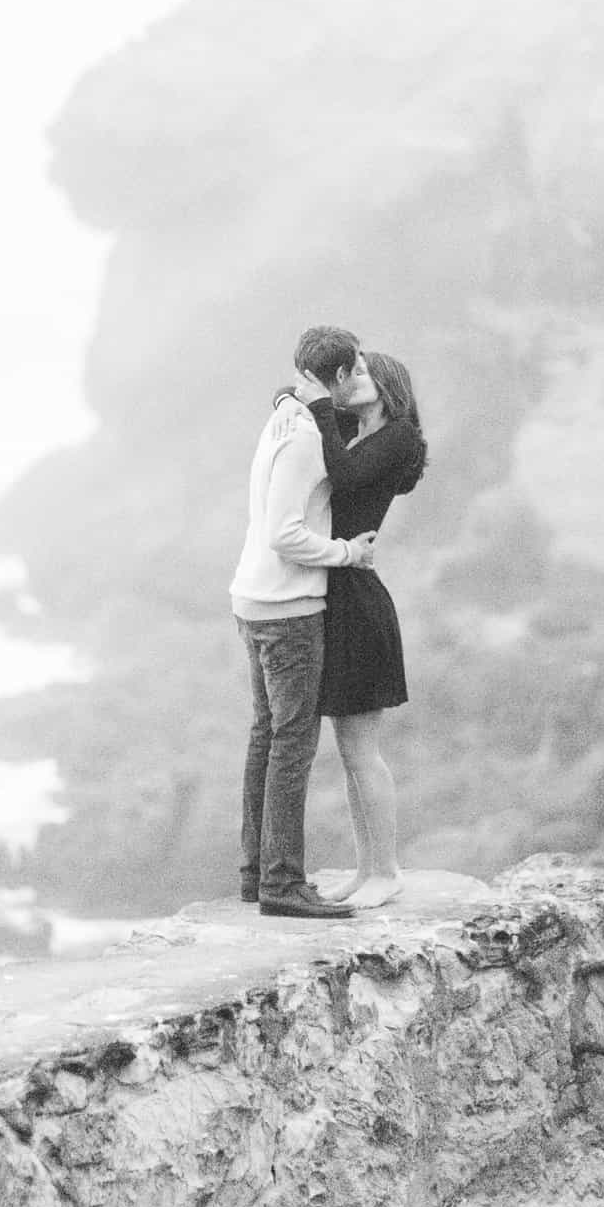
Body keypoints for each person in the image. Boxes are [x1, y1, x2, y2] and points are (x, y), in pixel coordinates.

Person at [229, 325, 378, 919]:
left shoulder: (283, 418)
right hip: (287, 610)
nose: (361, 375)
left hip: (254, 600)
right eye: (357, 369)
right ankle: (283, 884)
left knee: (267, 737)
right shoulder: (306, 436)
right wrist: (348, 552)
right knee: (291, 745)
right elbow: (286, 534)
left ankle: (255, 875)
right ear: (338, 377)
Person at [278, 351, 427, 910]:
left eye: (362, 372)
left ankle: (387, 871)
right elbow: (310, 392)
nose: (351, 379)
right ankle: (367, 869)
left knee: (363, 750)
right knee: (349, 751)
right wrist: (295, 397)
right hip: (338, 596)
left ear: (388, 386)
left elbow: (340, 474)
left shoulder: (398, 437)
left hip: (360, 606)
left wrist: (318, 409)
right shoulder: (356, 431)